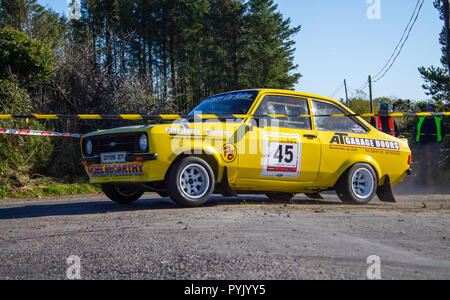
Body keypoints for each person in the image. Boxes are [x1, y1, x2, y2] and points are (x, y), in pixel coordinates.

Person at [414, 103, 446, 184]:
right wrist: (416, 140)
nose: (429, 111)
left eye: (431, 110)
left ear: (433, 111)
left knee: (435, 163)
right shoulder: (421, 119)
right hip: (422, 143)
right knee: (423, 163)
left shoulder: (438, 120)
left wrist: (440, 141)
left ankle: (435, 180)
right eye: (428, 110)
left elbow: (443, 132)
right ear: (426, 110)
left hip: (434, 143)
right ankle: (423, 180)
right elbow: (415, 131)